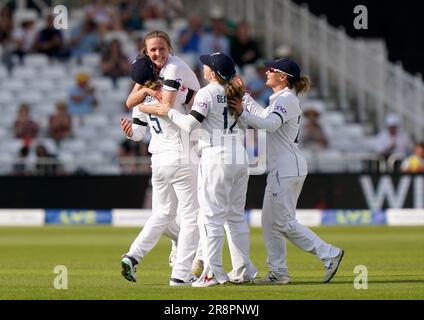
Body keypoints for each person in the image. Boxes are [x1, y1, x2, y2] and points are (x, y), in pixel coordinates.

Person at [229, 58, 344, 284]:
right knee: (269, 222)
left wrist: (243, 112)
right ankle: (278, 272)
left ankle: (329, 253)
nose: (267, 71)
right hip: (283, 167)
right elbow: (264, 118)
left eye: (272, 69)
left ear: (283, 77)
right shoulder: (279, 99)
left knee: (282, 221)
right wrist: (244, 97)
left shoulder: (288, 99)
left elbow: (270, 125)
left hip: (287, 167)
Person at [150, 52, 258, 287]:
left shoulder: (207, 92)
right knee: (236, 217)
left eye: (207, 65)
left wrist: (167, 111)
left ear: (214, 72)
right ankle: (242, 270)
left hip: (216, 155)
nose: (203, 68)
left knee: (210, 217)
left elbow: (190, 124)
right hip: (239, 154)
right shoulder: (235, 91)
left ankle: (212, 273)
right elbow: (243, 121)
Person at [121, 49, 202, 286]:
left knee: (162, 214)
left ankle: (133, 255)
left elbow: (137, 134)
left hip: (157, 160)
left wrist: (129, 132)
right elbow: (196, 101)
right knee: (190, 218)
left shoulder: (139, 100)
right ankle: (181, 274)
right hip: (181, 156)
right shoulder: (172, 90)